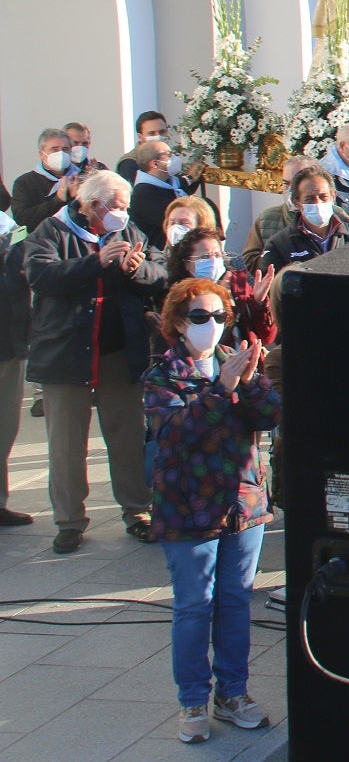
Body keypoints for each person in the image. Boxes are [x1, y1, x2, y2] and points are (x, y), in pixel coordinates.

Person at [143, 277, 277, 743]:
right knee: (195, 605)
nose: (212, 325)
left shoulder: (233, 363)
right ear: (178, 323)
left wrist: (252, 382)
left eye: (220, 317)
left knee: (236, 600)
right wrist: (220, 389)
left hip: (242, 502)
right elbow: (176, 434)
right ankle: (193, 701)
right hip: (188, 508)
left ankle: (233, 693)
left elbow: (271, 415)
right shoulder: (163, 375)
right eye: (200, 317)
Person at [22, 170, 162, 553]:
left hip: (118, 352)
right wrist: (95, 262)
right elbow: (40, 275)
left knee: (128, 436)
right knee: (67, 444)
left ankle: (138, 510)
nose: (122, 213)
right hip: (66, 355)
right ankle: (69, 520)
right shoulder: (51, 232)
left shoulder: (129, 232)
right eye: (116, 207)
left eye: (125, 207)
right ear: (92, 204)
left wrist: (139, 270)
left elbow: (159, 270)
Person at [166, 229, 276, 347]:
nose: (213, 261)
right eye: (205, 256)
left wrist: (258, 303)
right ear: (186, 263)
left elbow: (266, 338)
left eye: (217, 255)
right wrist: (222, 301)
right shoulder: (181, 296)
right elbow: (205, 341)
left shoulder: (237, 283)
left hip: (246, 358)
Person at [262, 166, 349, 272]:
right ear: (297, 202)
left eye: (323, 197)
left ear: (333, 196)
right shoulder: (278, 245)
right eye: (309, 199)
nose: (317, 203)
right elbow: (271, 286)